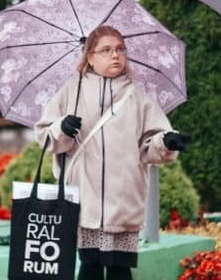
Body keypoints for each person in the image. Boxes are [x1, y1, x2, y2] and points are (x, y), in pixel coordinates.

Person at [35, 25, 192, 280]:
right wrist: (61, 129)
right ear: (90, 57)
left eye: (120, 49)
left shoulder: (138, 96)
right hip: (84, 200)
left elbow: (149, 146)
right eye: (106, 50)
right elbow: (45, 137)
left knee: (120, 270)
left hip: (124, 201)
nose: (115, 55)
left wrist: (167, 142)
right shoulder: (71, 91)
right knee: (90, 268)